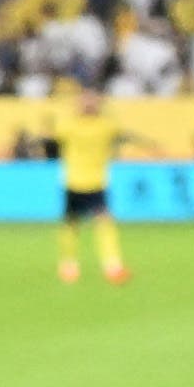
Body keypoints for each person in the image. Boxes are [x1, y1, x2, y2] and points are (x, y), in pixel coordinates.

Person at [50, 79, 128, 285]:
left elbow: (116, 128)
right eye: (85, 100)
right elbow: (55, 134)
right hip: (74, 181)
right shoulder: (69, 126)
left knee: (103, 223)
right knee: (71, 224)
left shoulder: (105, 126)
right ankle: (69, 265)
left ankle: (113, 266)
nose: (88, 104)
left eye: (92, 100)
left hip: (96, 182)